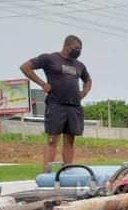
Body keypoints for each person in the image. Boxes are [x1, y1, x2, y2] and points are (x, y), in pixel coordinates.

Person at [21, 35, 92, 172]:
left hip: (74, 106)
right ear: (67, 46)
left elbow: (88, 80)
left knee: (70, 140)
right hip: (56, 104)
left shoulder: (79, 65)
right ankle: (46, 173)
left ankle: (68, 171)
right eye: (76, 48)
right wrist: (42, 84)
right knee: (53, 139)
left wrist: (84, 92)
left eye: (81, 49)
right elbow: (25, 67)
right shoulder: (49, 58)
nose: (78, 51)